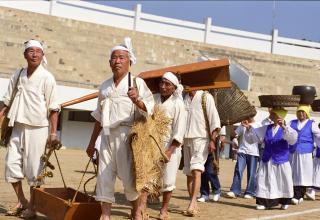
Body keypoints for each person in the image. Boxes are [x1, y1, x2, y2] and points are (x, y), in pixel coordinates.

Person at [86, 37, 154, 220]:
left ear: (129, 61)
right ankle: (105, 215)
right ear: (109, 62)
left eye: (122, 57)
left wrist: (137, 100)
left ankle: (136, 211)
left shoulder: (137, 83)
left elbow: (151, 109)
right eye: (114, 58)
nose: (117, 61)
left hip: (128, 136)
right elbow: (99, 117)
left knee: (130, 180)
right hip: (107, 136)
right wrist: (92, 143)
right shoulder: (104, 87)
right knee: (104, 176)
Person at [0, 39, 59, 219]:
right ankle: (22, 201)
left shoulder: (47, 78)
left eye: (38, 51)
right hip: (17, 127)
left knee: (35, 171)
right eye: (30, 51)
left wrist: (53, 133)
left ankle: (32, 208)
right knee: (11, 167)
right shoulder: (17, 74)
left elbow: (54, 108)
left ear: (42, 55)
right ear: (25, 54)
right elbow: (6, 101)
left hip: (38, 129)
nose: (34, 54)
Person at [244, 108, 298, 210]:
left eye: (274, 114)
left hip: (280, 160)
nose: (271, 116)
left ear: (279, 117)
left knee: (282, 181)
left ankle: (284, 201)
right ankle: (263, 202)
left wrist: (283, 127)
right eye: (272, 114)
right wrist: (248, 128)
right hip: (267, 159)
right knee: (264, 180)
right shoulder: (266, 128)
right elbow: (253, 137)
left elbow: (292, 139)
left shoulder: (287, 128)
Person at [152, 72, 186, 220]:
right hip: (152, 144)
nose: (163, 86)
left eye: (167, 84)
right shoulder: (154, 99)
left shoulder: (178, 104)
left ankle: (164, 210)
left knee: (168, 180)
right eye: (161, 83)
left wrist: (170, 151)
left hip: (170, 147)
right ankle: (141, 207)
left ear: (174, 88)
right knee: (149, 178)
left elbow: (179, 131)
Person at [183, 90, 220, 214]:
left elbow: (214, 121)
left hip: (201, 138)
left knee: (196, 170)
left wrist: (212, 140)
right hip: (186, 139)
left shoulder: (205, 97)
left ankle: (193, 202)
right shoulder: (184, 97)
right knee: (188, 173)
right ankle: (192, 202)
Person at [288, 105, 320, 204]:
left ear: (307, 114)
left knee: (303, 174)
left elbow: (318, 135)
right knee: (292, 173)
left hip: (305, 153)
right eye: (299, 112)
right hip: (293, 152)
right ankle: (293, 194)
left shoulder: (311, 124)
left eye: (303, 112)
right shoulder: (291, 122)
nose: (301, 114)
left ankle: (299, 194)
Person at [226, 117, 260, 199]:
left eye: (249, 116)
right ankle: (235, 190)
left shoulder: (258, 125)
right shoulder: (242, 124)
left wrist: (249, 127)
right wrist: (231, 126)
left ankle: (250, 192)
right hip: (242, 151)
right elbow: (235, 134)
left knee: (252, 173)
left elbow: (259, 139)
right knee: (238, 170)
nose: (247, 117)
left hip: (254, 152)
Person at [197, 127, 232, 203]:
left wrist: (222, 143)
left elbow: (222, 134)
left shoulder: (218, 117)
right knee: (202, 170)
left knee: (210, 170)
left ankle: (217, 190)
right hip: (200, 143)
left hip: (213, 144)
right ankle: (204, 194)